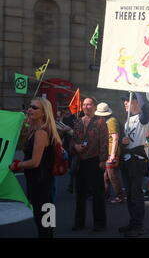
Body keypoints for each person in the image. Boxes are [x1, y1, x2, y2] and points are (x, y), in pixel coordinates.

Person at [10, 97, 62, 238]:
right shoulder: (35, 130)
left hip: (42, 183)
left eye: (34, 108)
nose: (30, 109)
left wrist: (17, 165)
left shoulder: (41, 133)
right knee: (44, 220)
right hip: (39, 181)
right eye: (30, 106)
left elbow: (35, 162)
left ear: (44, 113)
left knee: (44, 221)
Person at [70, 97, 109, 232]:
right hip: (80, 161)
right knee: (80, 194)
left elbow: (104, 142)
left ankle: (100, 224)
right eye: (84, 104)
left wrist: (103, 160)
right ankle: (79, 223)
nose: (86, 107)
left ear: (94, 107)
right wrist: (75, 146)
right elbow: (72, 140)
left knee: (98, 194)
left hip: (95, 160)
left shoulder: (100, 122)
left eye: (89, 104)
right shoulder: (78, 122)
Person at [119, 92, 149, 238]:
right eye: (124, 101)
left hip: (136, 161)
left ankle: (139, 226)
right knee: (130, 195)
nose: (125, 103)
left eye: (128, 100)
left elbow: (146, 107)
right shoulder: (127, 120)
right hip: (126, 160)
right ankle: (132, 222)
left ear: (136, 102)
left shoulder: (142, 119)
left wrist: (137, 89)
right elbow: (125, 141)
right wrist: (121, 142)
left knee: (136, 195)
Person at [94, 102, 124, 204]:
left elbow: (115, 138)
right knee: (106, 175)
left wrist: (112, 155)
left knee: (112, 175)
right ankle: (105, 194)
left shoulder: (111, 121)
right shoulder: (106, 120)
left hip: (112, 152)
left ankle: (120, 195)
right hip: (107, 151)